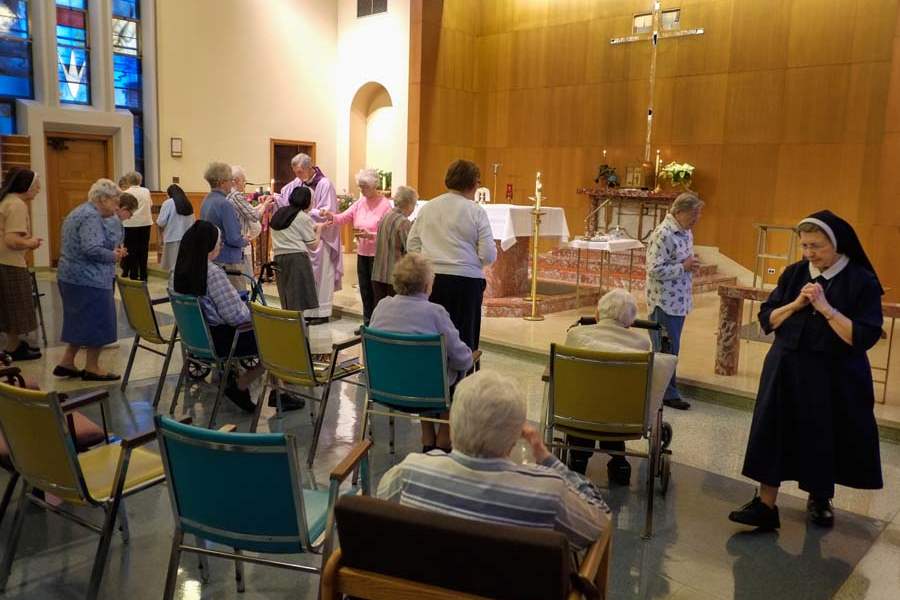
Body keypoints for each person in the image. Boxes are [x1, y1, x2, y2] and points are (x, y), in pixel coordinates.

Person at [729, 211, 884, 530]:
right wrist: (796, 305)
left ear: (838, 244)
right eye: (805, 246)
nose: (810, 253)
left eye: (817, 246)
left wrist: (826, 309)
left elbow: (862, 337)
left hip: (833, 374)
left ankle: (820, 497)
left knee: (823, 433)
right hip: (785, 367)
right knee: (773, 430)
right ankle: (765, 504)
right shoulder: (795, 273)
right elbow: (767, 319)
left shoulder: (861, 280)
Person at [377, 370, 610, 551]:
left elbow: (382, 503)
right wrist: (548, 459)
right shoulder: (548, 494)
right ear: (514, 438)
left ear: (454, 423)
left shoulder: (410, 472)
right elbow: (601, 521)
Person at [563, 289, 677, 484]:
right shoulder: (640, 344)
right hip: (623, 420)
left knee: (590, 398)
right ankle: (619, 461)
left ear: (598, 314)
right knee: (614, 401)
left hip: (578, 414)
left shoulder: (575, 335)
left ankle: (579, 456)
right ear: (630, 322)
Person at [369, 253, 473, 452]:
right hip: (429, 392)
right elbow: (462, 360)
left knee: (414, 365)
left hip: (386, 388)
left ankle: (427, 435)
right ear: (427, 286)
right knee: (451, 368)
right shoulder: (435, 312)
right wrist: (469, 356)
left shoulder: (382, 306)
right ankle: (444, 437)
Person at [172, 221, 264, 412]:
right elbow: (236, 317)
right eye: (219, 242)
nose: (221, 245)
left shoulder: (177, 272)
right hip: (224, 338)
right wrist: (257, 315)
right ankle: (250, 386)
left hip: (196, 338)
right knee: (281, 339)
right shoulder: (212, 272)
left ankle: (242, 384)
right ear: (209, 246)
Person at [407, 160, 496, 351]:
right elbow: (488, 253)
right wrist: (472, 262)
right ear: (473, 184)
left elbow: (411, 244)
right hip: (466, 283)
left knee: (434, 337)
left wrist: (429, 261)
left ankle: (435, 378)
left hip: (432, 280)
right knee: (464, 340)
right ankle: (463, 381)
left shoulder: (428, 207)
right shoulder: (475, 211)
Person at [54, 179, 129, 381]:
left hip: (71, 276)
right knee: (98, 321)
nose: (116, 207)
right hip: (89, 279)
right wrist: (115, 256)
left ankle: (67, 361)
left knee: (80, 321)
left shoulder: (80, 211)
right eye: (115, 201)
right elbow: (91, 249)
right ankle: (92, 367)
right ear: (103, 199)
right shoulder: (91, 216)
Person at [644, 192, 704, 410]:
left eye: (698, 214)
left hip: (679, 300)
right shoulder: (663, 234)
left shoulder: (685, 231)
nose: (697, 218)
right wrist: (684, 267)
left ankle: (665, 390)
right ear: (679, 211)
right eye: (694, 214)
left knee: (672, 348)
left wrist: (690, 264)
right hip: (664, 301)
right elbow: (654, 269)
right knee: (665, 349)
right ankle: (666, 394)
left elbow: (682, 260)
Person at [276, 154, 341, 323]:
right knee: (306, 276)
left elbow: (327, 211)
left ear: (308, 167)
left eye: (299, 172)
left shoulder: (325, 184)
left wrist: (307, 214)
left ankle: (322, 312)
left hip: (322, 239)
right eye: (295, 172)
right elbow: (286, 201)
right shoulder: (297, 183)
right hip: (302, 237)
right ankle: (307, 312)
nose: (297, 176)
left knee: (321, 275)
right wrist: (273, 199)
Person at [322, 168, 392, 325]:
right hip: (362, 253)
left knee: (377, 291)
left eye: (364, 187)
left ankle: (378, 324)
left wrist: (371, 235)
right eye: (360, 186)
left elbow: (388, 231)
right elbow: (343, 217)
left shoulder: (385, 205)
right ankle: (367, 322)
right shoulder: (360, 202)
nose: (362, 190)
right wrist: (330, 216)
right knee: (365, 290)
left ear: (374, 185)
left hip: (377, 255)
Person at [0, 168, 42, 361]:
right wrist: (31, 243)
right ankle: (12, 348)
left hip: (4, 260)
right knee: (17, 307)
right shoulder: (17, 205)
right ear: (26, 186)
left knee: (8, 307)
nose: (39, 189)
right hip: (10, 262)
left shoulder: (6, 200)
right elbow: (11, 240)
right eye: (36, 185)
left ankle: (13, 344)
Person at [270, 186, 323, 313]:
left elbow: (292, 230)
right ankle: (299, 331)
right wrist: (319, 230)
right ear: (307, 201)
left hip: (278, 259)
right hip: (297, 259)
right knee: (299, 300)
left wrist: (313, 227)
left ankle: (288, 329)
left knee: (287, 298)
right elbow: (313, 245)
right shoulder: (302, 217)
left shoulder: (280, 213)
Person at [200, 162, 248, 290]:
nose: (232, 184)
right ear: (222, 182)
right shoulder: (224, 204)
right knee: (238, 299)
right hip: (228, 260)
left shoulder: (206, 200)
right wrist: (245, 240)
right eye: (230, 180)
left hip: (212, 257)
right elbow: (233, 238)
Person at [371, 185, 417, 306]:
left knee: (381, 311)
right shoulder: (403, 222)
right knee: (394, 314)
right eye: (414, 204)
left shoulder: (385, 216)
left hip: (378, 273)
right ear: (408, 203)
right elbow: (409, 249)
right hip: (394, 276)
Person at [228, 165, 271, 279]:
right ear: (236, 181)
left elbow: (248, 211)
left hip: (233, 242)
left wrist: (262, 205)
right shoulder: (235, 195)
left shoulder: (229, 194)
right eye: (244, 181)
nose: (245, 184)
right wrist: (266, 204)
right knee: (246, 278)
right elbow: (254, 215)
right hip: (239, 241)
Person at [119, 170, 153, 281]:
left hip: (130, 223)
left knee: (131, 249)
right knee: (144, 249)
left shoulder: (125, 192)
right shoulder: (146, 191)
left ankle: (133, 274)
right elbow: (151, 204)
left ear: (128, 180)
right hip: (145, 223)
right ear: (140, 180)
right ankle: (143, 274)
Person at [155, 184, 195, 272]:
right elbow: (193, 222)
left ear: (169, 194)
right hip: (187, 239)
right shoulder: (188, 203)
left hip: (172, 238)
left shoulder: (168, 203)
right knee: (184, 266)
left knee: (173, 267)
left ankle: (172, 285)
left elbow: (161, 222)